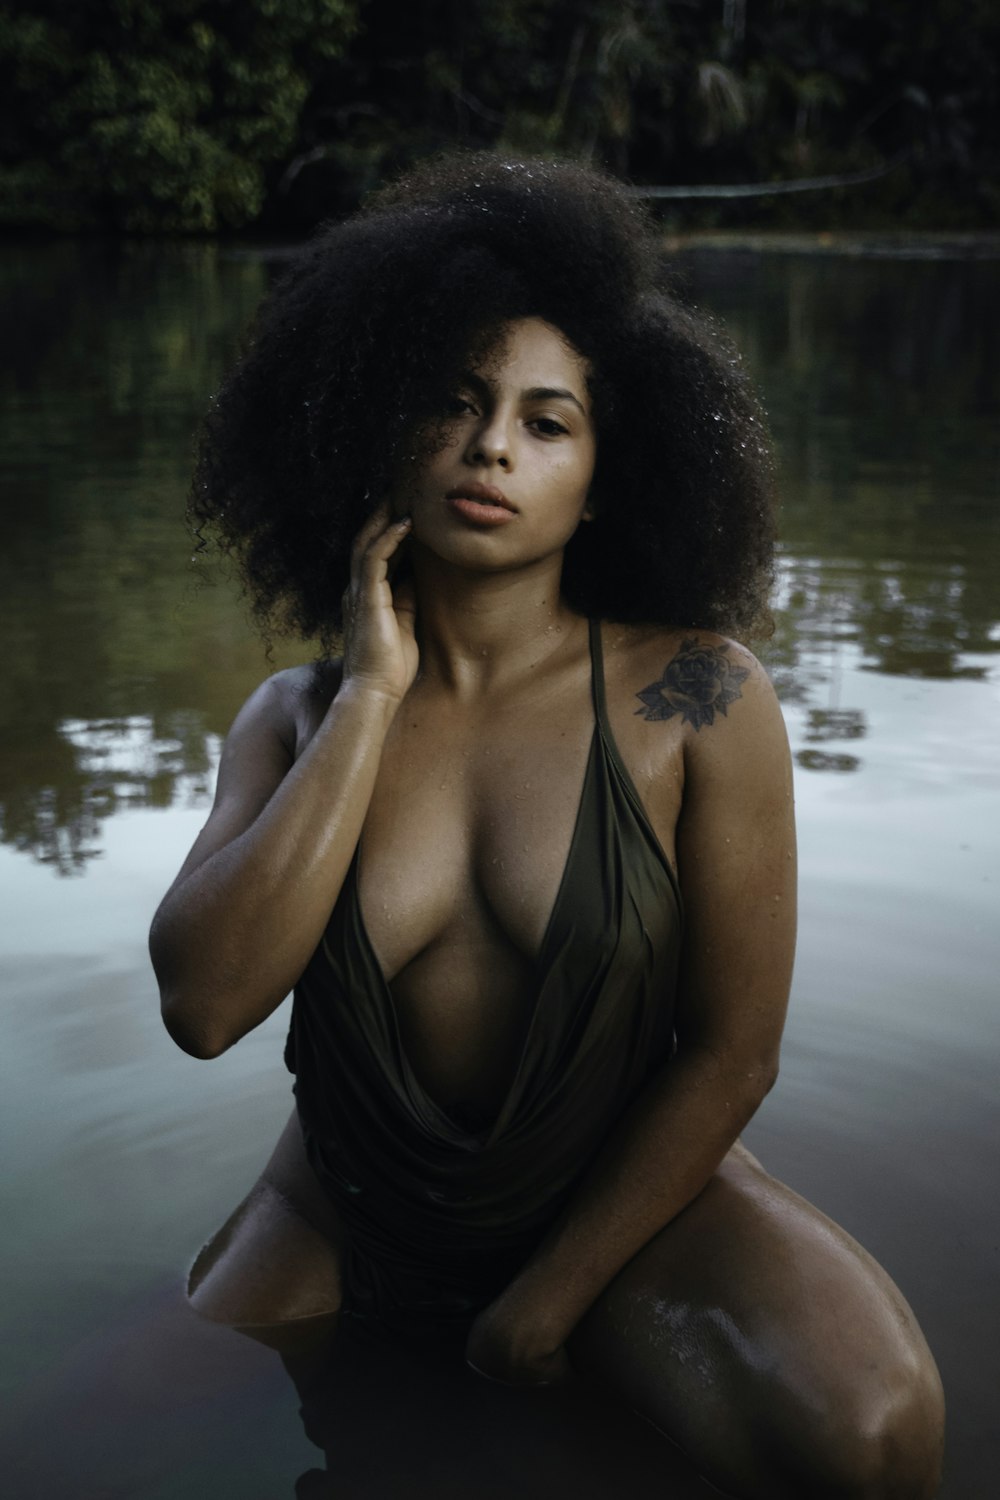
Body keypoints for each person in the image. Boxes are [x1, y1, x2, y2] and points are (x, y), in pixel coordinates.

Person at [149, 154, 944, 1498]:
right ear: (380, 427)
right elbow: (204, 1007)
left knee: (872, 1435)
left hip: (621, 1200)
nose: (492, 447)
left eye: (546, 419)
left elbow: (735, 1054)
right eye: (455, 403)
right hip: (346, 1204)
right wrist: (373, 698)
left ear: (603, 472)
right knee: (111, 1430)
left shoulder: (703, 689)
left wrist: (547, 1303)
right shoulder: (294, 714)